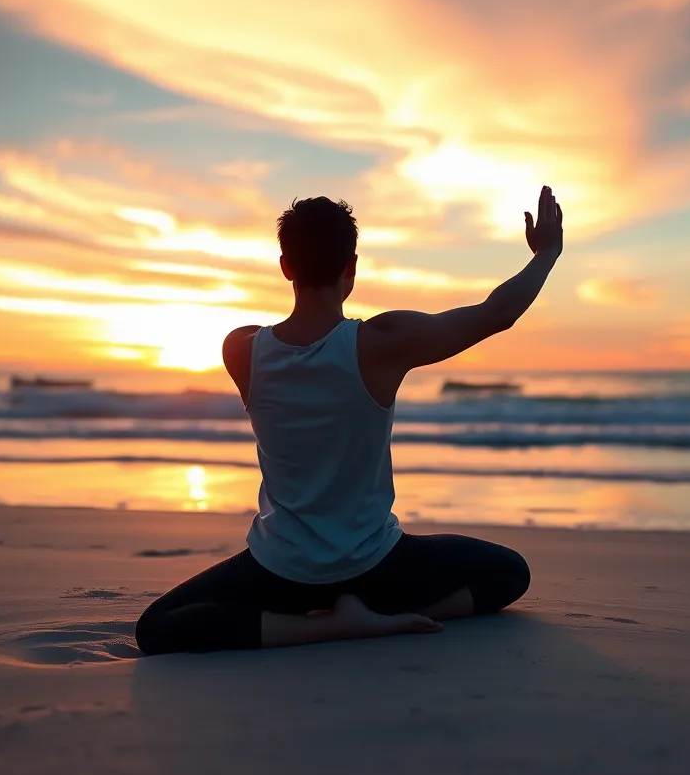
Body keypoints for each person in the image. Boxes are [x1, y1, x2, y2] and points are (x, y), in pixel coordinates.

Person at [135, 186, 563, 653]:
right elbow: (496, 313)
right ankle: (372, 618)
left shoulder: (241, 350)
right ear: (351, 268)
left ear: (286, 267)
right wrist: (547, 254)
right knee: (508, 573)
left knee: (158, 628)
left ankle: (314, 627)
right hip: (375, 567)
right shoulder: (378, 345)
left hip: (280, 571)